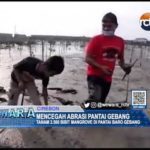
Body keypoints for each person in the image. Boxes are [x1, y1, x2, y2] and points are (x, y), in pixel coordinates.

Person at [84, 12, 132, 105]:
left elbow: (121, 60)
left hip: (108, 78)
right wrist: (101, 67)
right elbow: (87, 58)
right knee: (94, 101)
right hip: (94, 76)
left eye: (109, 26)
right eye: (104, 25)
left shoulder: (120, 41)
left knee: (101, 103)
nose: (106, 28)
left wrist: (125, 68)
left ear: (116, 26)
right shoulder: (95, 40)